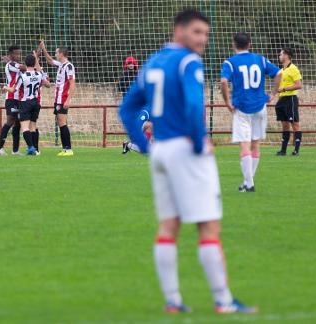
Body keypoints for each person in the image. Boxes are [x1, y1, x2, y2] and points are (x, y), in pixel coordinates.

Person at [119, 9, 256, 314]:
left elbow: (127, 110)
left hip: (162, 151)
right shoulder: (188, 61)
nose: (202, 40)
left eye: (206, 34)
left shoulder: (153, 62)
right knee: (208, 226)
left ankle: (173, 301)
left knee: (169, 225)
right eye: (197, 32)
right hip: (185, 149)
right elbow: (194, 106)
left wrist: (146, 147)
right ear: (178, 30)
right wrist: (198, 142)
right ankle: (223, 301)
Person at [220, 32, 282, 192]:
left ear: (234, 44)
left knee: (245, 145)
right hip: (260, 106)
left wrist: (227, 102)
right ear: (250, 44)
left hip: (242, 108)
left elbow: (223, 81)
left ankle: (249, 183)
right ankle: (248, 182)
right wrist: (274, 93)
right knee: (256, 144)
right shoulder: (260, 59)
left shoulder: (230, 62)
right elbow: (279, 73)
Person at [4, 54, 50, 155]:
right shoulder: (39, 75)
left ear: (25, 63)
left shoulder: (22, 76)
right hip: (35, 102)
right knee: (33, 127)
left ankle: (31, 148)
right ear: (34, 63)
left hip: (25, 103)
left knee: (25, 128)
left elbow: (13, 90)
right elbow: (48, 84)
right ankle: (36, 150)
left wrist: (5, 88)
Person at [39, 41, 76, 156]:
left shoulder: (69, 66)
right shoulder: (61, 65)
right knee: (61, 123)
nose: (55, 54)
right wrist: (43, 49)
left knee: (62, 122)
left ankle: (68, 149)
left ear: (61, 54)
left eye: (56, 52)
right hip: (58, 99)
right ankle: (65, 148)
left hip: (63, 98)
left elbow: (72, 84)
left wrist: (68, 99)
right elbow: (49, 60)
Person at [0, 45, 26, 156]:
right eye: (16, 54)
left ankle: (15, 150)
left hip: (19, 98)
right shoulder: (11, 64)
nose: (18, 55)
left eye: (19, 53)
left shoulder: (15, 64)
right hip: (11, 97)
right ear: (11, 55)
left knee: (17, 124)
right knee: (10, 121)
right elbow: (25, 68)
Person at [275, 47, 303, 156]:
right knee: (284, 125)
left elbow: (299, 85)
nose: (279, 56)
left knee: (295, 124)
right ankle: (283, 150)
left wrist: (284, 89)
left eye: (281, 54)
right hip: (282, 100)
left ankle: (296, 150)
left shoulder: (294, 68)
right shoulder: (281, 70)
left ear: (286, 55)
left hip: (291, 99)